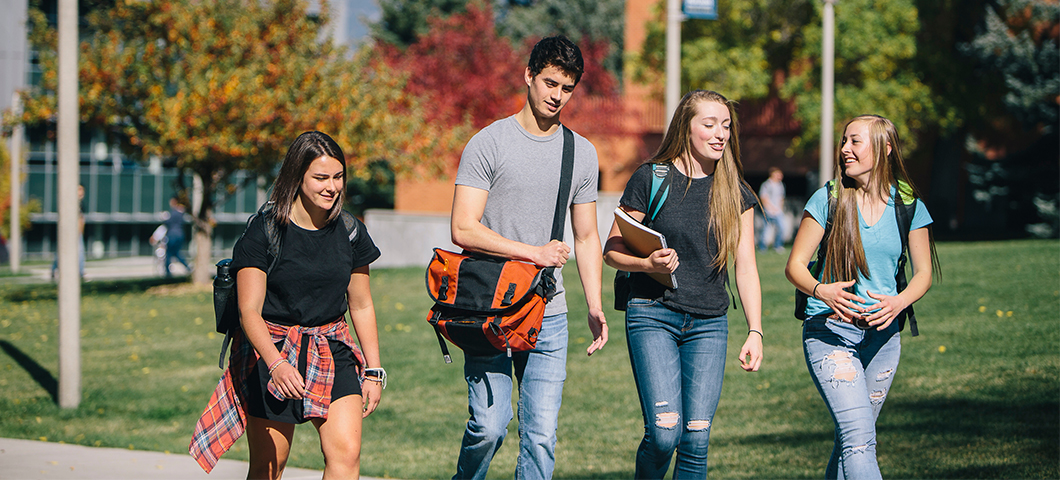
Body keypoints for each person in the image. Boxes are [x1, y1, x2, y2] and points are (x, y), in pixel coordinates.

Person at [448, 35, 608, 480]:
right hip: (489, 308)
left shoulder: (582, 153)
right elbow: (463, 227)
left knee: (539, 437)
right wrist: (533, 253)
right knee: (489, 427)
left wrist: (594, 305)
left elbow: (587, 236)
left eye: (567, 88)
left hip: (548, 313)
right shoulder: (489, 143)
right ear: (529, 77)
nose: (557, 96)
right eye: (550, 83)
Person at [190, 131, 385, 479]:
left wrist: (373, 370)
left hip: (332, 347)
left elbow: (362, 305)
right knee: (270, 466)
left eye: (338, 177)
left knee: (346, 456)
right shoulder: (264, 232)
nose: (332, 187)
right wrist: (276, 364)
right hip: (274, 350)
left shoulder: (351, 231)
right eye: (321, 178)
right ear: (297, 178)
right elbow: (249, 310)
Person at [603, 90, 764, 478]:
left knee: (695, 438)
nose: (720, 133)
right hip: (653, 315)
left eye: (725, 126)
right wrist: (645, 262)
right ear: (685, 128)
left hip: (710, 324)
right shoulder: (651, 177)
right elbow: (611, 249)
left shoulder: (735, 191)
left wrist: (755, 330)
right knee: (664, 433)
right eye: (709, 124)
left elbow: (746, 267)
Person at [785, 114, 938, 479]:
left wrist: (900, 302)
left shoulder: (908, 202)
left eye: (855, 141)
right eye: (844, 141)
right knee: (859, 438)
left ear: (885, 148)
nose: (845, 149)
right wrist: (822, 290)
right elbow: (795, 266)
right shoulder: (829, 198)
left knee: (852, 440)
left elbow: (924, 274)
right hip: (831, 333)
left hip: (884, 340)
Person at [51, 184, 85, 281]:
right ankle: (55, 269)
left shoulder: (80, 204)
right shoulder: (71, 204)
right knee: (65, 251)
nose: (81, 192)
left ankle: (80, 272)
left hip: (78, 233)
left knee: (79, 252)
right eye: (79, 189)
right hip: (71, 232)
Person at [758, 166, 786, 252]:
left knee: (781, 227)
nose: (780, 176)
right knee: (766, 229)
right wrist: (769, 208)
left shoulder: (780, 185)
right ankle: (762, 247)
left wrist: (779, 209)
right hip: (768, 210)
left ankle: (778, 245)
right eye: (778, 174)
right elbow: (763, 197)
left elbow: (781, 198)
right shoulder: (766, 185)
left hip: (778, 211)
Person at [162, 196, 192, 277]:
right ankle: (187, 267)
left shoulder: (173, 213)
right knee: (176, 253)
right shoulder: (182, 213)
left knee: (168, 254)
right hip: (180, 235)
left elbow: (167, 223)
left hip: (172, 235)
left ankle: (168, 273)